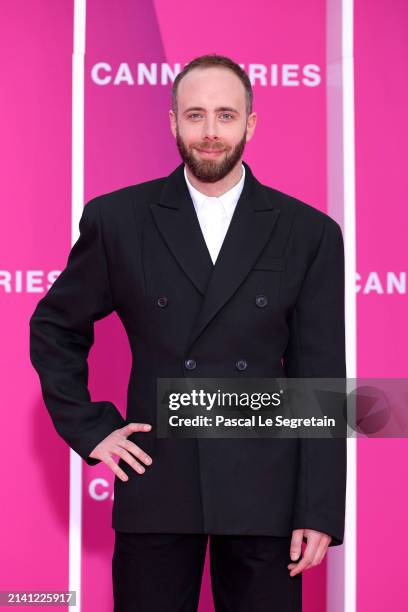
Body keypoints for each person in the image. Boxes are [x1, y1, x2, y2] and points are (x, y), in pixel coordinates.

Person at [29, 53, 347, 611]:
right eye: (194, 115)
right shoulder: (119, 219)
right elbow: (55, 325)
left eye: (225, 116)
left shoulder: (310, 232)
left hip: (265, 495)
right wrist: (91, 428)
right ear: (172, 122)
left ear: (250, 124)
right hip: (158, 480)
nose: (209, 131)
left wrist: (317, 509)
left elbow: (318, 377)